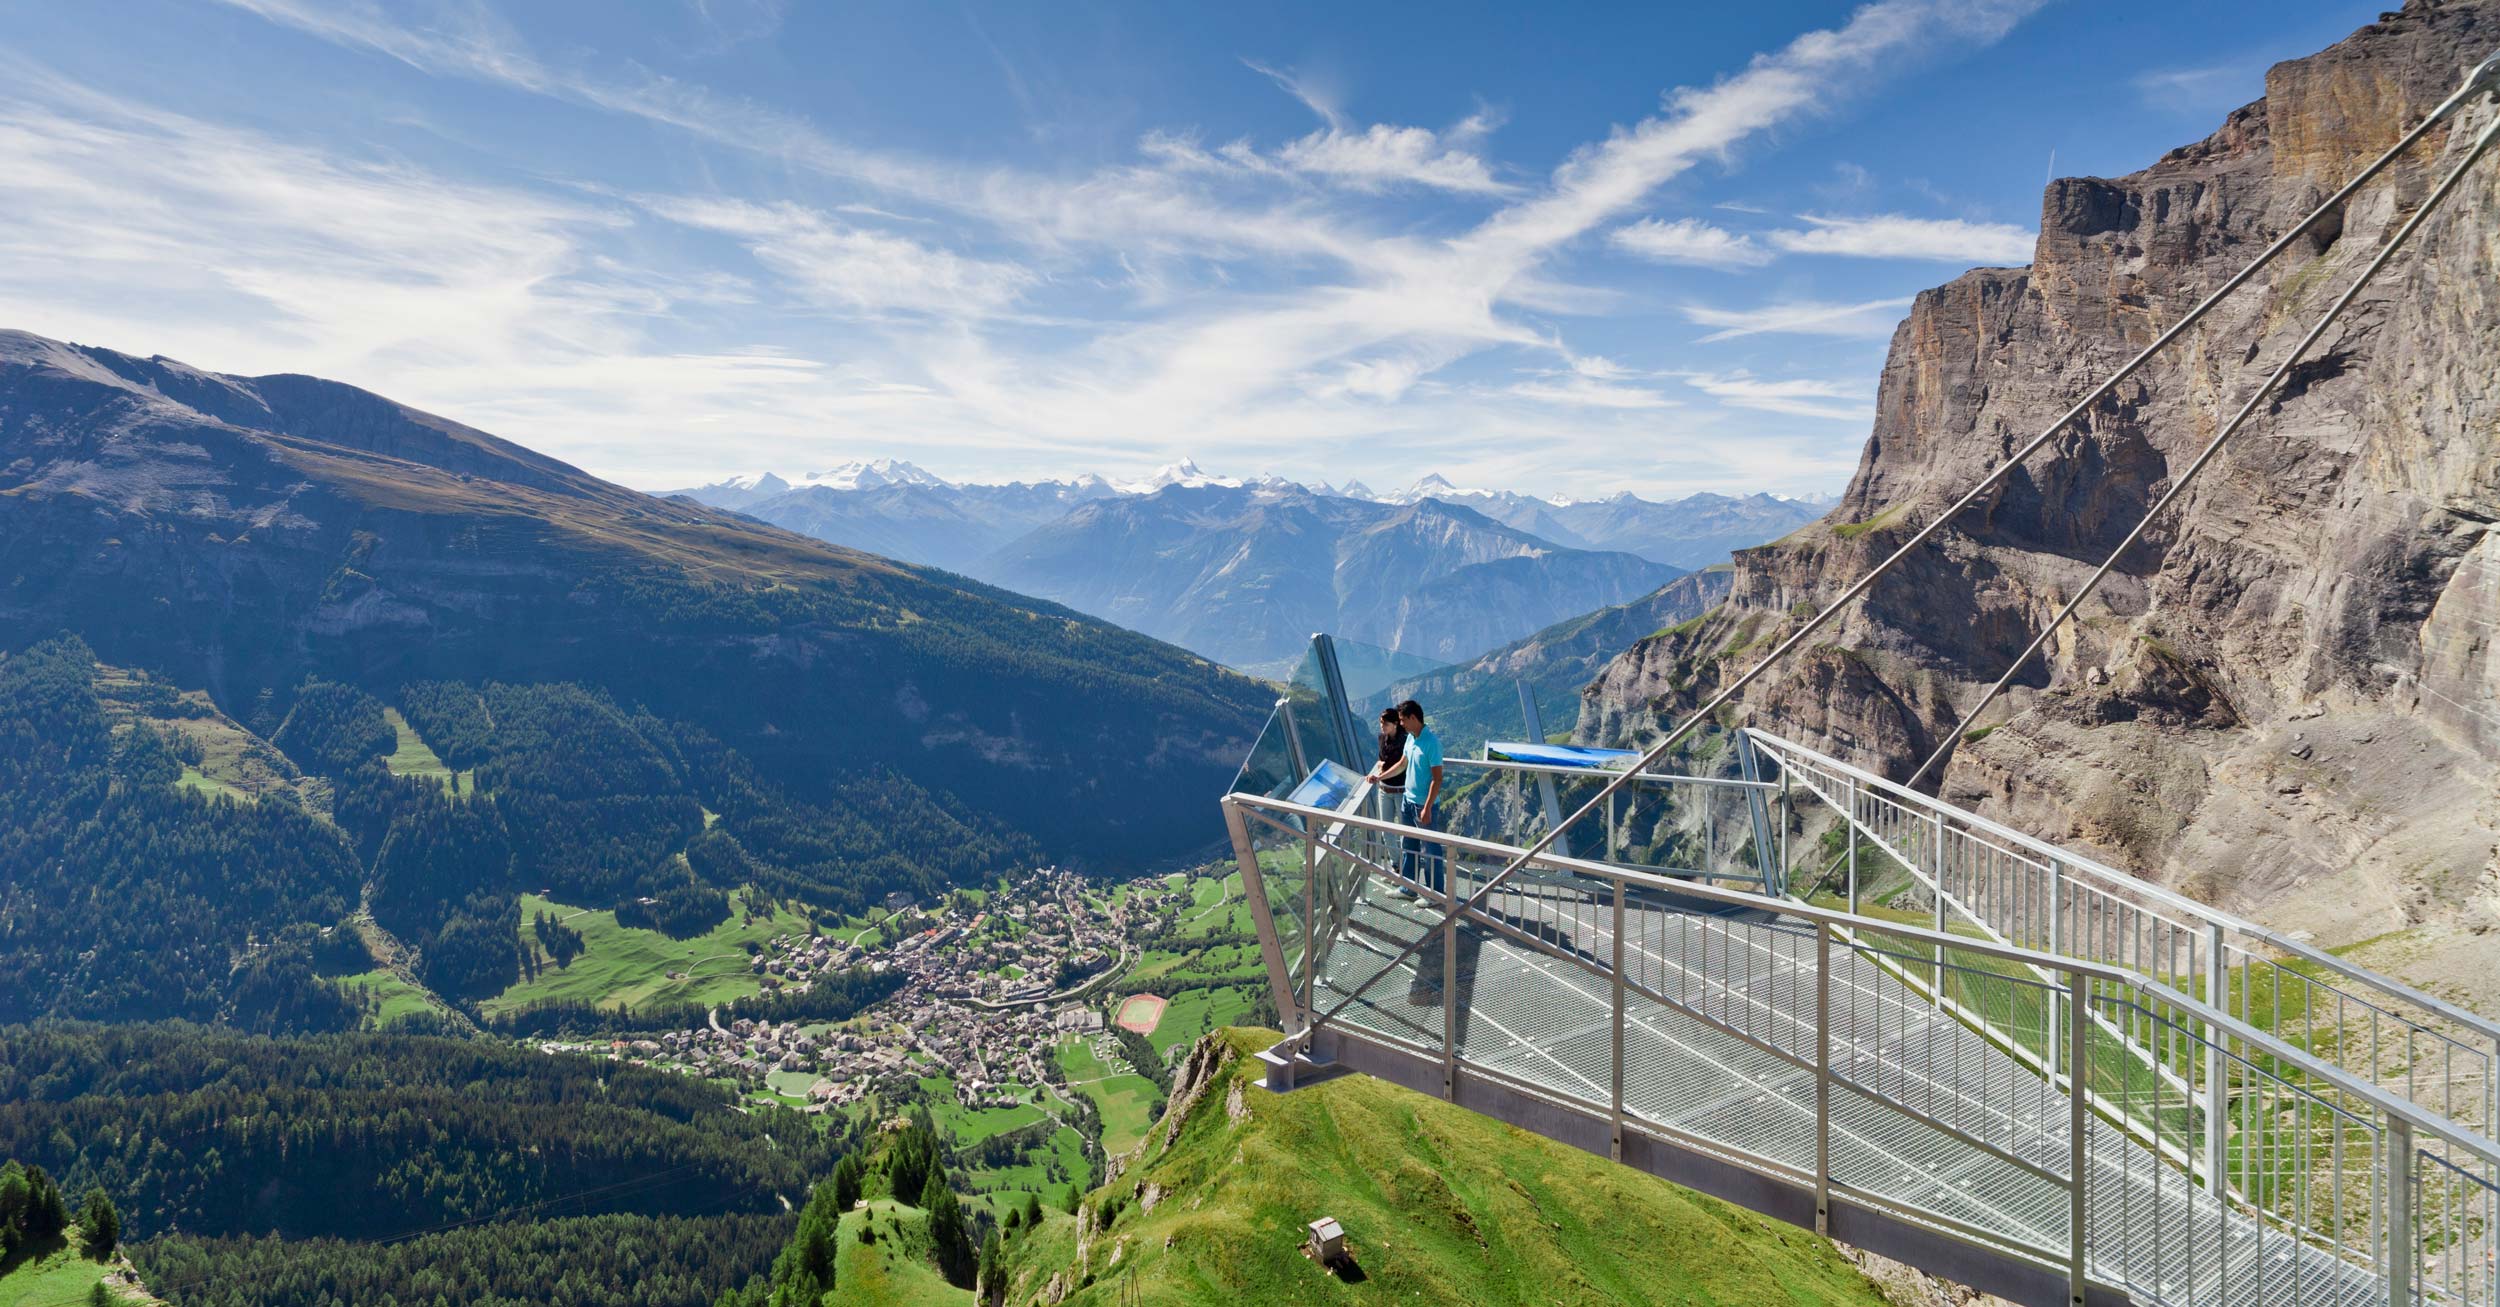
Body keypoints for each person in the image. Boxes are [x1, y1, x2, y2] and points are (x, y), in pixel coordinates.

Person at [1392, 699, 1445, 901]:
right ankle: (1408, 888)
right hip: (1408, 800)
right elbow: (1402, 764)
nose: (1401, 724)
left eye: (1403, 720)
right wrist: (1380, 777)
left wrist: (1428, 808)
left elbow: (1437, 778)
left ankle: (1435, 894)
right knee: (1409, 846)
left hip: (1423, 805)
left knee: (1430, 850)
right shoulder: (1411, 738)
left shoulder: (1432, 743)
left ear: (1413, 718)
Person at [1365, 708, 1408, 814]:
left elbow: (1400, 765)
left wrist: (1379, 776)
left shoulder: (1405, 741)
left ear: (1395, 724)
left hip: (1401, 791)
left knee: (1403, 828)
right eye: (1381, 723)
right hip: (1384, 789)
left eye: (1385, 724)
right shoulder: (1382, 738)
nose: (1382, 726)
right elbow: (1381, 760)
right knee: (1385, 827)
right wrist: (1381, 766)